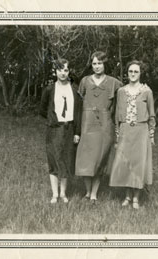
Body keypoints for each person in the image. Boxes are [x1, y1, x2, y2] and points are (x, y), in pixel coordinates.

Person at [75, 51, 123, 204]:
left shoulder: (114, 83)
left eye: (100, 63)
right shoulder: (84, 81)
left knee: (99, 160)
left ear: (105, 64)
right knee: (85, 159)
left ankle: (94, 194)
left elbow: (125, 97)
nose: (97, 66)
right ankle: (87, 192)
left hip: (104, 125)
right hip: (87, 123)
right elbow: (78, 103)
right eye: (94, 63)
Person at [109, 60, 156, 210]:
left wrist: (151, 134)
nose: (133, 74)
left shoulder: (147, 92)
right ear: (127, 73)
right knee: (126, 163)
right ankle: (127, 196)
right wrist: (117, 134)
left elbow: (152, 115)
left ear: (140, 73)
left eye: (136, 71)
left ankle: (136, 198)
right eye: (130, 71)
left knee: (138, 164)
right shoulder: (121, 91)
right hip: (125, 131)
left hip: (141, 131)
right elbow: (117, 115)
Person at [40, 58, 82, 204]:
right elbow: (42, 109)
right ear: (55, 72)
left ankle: (63, 193)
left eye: (65, 70)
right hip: (54, 129)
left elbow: (78, 113)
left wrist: (77, 132)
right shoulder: (50, 89)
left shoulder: (75, 89)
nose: (62, 73)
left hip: (69, 128)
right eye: (59, 70)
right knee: (53, 159)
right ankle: (54, 194)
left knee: (66, 159)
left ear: (69, 71)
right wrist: (53, 120)